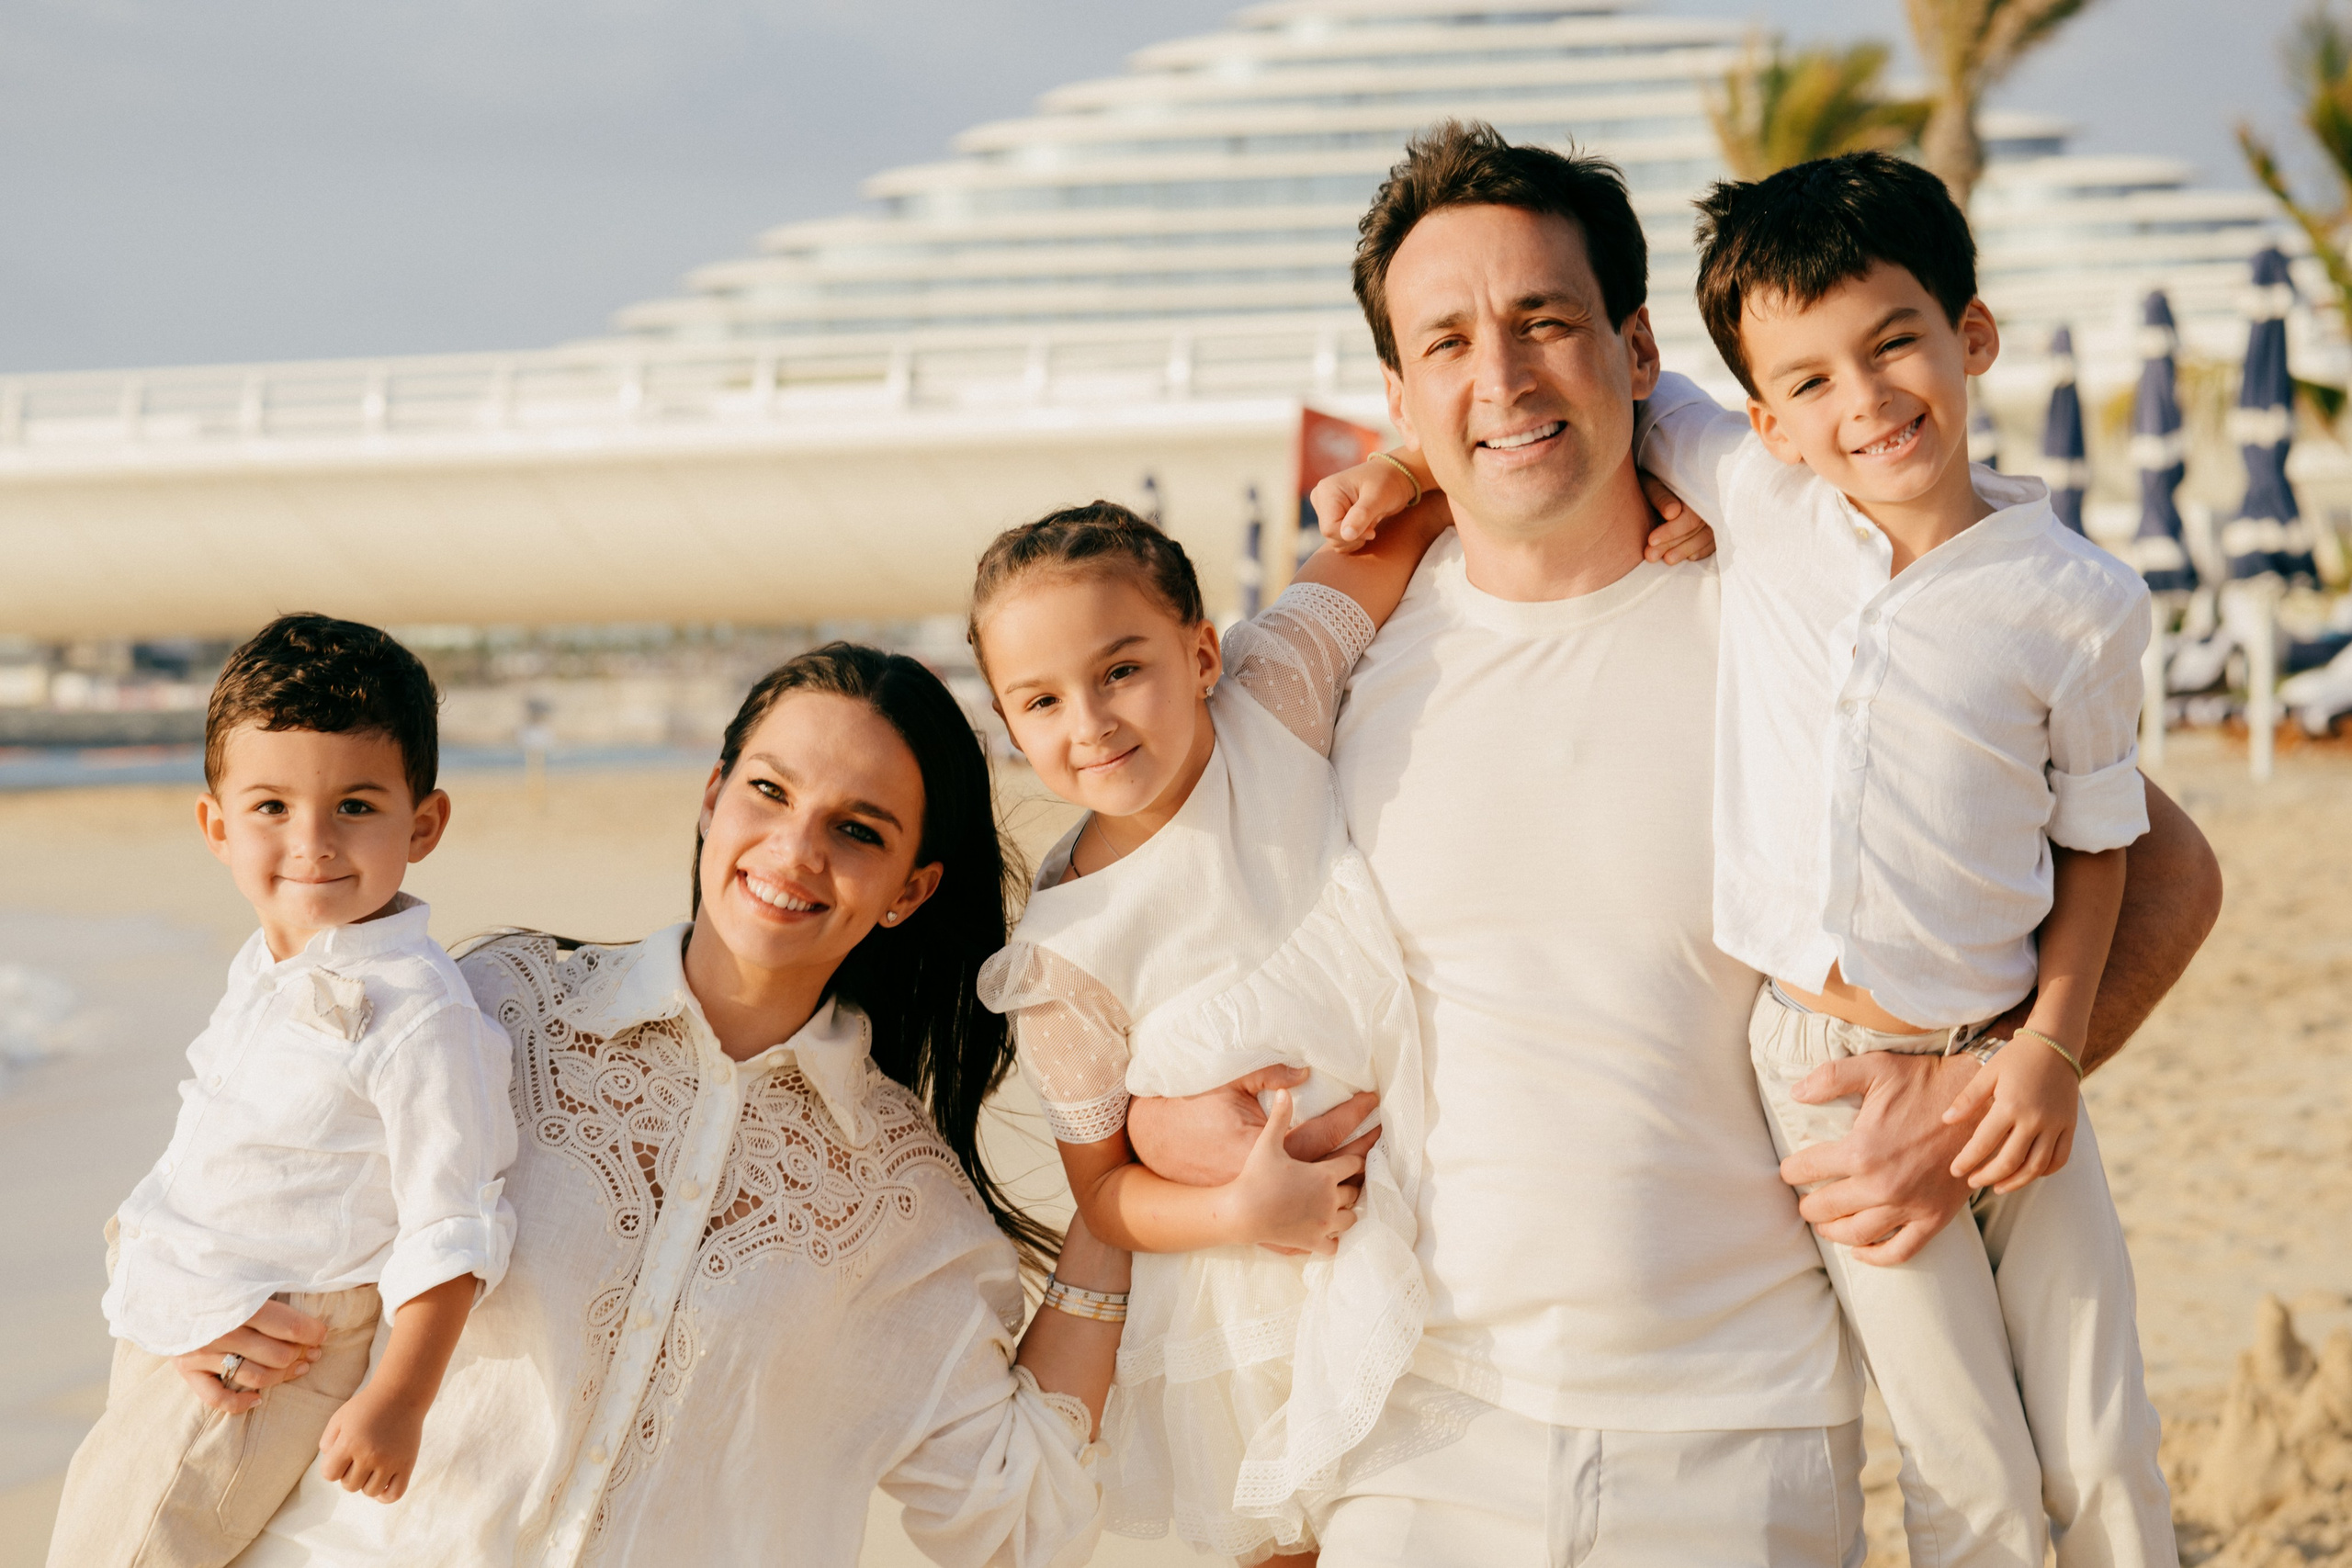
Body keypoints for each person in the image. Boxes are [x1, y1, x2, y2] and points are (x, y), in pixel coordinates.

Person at [1129, 121, 2222, 1567]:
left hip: (1745, 1437)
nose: (1504, 377)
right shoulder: (1326, 662)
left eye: (1544, 322)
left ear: (1639, 353)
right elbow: (1145, 965)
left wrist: (1973, 1109)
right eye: (1446, 341)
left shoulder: (1805, 595)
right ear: (1396, 393)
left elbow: (2169, 871)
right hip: (1424, 1427)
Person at [232, 642, 1130, 1568]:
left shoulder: (910, 1211)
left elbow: (1016, 1524)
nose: (797, 849)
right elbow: (248, 1176)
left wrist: (1114, 1201)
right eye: (769, 792)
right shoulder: (494, 1011)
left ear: (910, 890)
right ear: (712, 796)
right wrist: (197, 1313)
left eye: (858, 830)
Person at [967, 499, 1459, 1563]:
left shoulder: (1271, 698)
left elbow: (1401, 526)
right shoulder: (1063, 953)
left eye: (1119, 670)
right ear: (1009, 727)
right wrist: (1242, 1206)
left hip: (1437, 1191)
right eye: (1041, 700)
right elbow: (1101, 1193)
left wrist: (1389, 466)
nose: (1088, 722)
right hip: (1249, 1291)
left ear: (1200, 653)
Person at [49, 614, 519, 1568]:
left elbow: (455, 1223)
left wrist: (398, 1400)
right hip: (179, 1322)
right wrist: (167, 1294)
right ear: (216, 827)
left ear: (421, 824)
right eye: (271, 808)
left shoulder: (417, 1012)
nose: (311, 843)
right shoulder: (264, 966)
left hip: (267, 1358)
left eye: (355, 806)